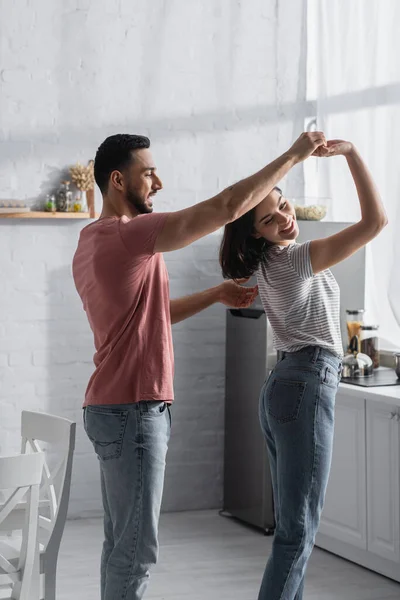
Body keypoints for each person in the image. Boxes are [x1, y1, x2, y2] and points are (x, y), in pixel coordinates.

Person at [72, 131, 327, 600]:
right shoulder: (131, 236)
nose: (158, 181)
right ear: (116, 179)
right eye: (148, 173)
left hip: (106, 409)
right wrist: (293, 155)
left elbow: (153, 314)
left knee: (119, 546)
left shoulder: (90, 243)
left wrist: (215, 294)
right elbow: (226, 206)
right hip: (135, 409)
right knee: (136, 554)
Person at [219, 139, 387, 600]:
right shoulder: (295, 258)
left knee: (295, 530)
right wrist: (353, 154)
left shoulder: (271, 264)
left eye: (284, 206)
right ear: (256, 233)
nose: (285, 219)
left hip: (282, 386)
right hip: (307, 385)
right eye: (269, 219)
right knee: (297, 533)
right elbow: (376, 222)